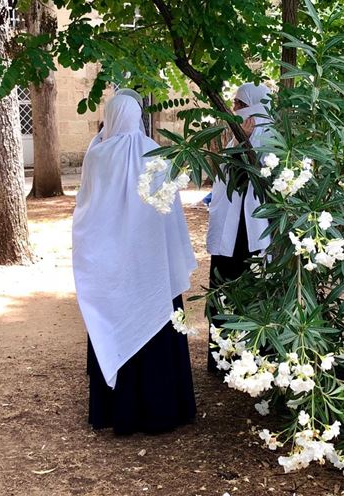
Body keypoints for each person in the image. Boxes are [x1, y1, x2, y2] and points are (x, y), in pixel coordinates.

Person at [72, 93, 197, 434]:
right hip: (152, 265)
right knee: (158, 326)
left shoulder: (98, 155)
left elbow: (87, 206)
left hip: (113, 265)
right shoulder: (157, 154)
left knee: (116, 322)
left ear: (111, 115)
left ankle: (117, 410)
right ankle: (163, 408)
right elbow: (170, 214)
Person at [206, 83, 272, 371]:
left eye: (238, 104)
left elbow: (256, 178)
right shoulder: (239, 137)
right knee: (224, 291)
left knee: (251, 293)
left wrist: (244, 144)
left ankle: (254, 362)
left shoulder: (269, 137)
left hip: (253, 233)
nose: (234, 110)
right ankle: (224, 360)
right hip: (231, 233)